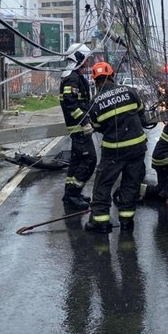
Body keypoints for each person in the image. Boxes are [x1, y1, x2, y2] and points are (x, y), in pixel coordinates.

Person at [85, 61, 148, 233]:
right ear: (112, 76)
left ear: (95, 81)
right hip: (137, 148)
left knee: (103, 185)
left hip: (113, 151)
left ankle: (101, 222)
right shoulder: (128, 91)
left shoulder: (95, 103)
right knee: (130, 184)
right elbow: (141, 112)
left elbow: (97, 127)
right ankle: (127, 222)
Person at [59, 43, 97, 210]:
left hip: (78, 127)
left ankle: (69, 194)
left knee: (76, 161)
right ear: (79, 58)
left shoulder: (75, 76)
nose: (89, 62)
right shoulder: (72, 78)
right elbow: (71, 105)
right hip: (79, 128)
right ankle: (73, 193)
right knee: (90, 160)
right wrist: (85, 122)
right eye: (87, 58)